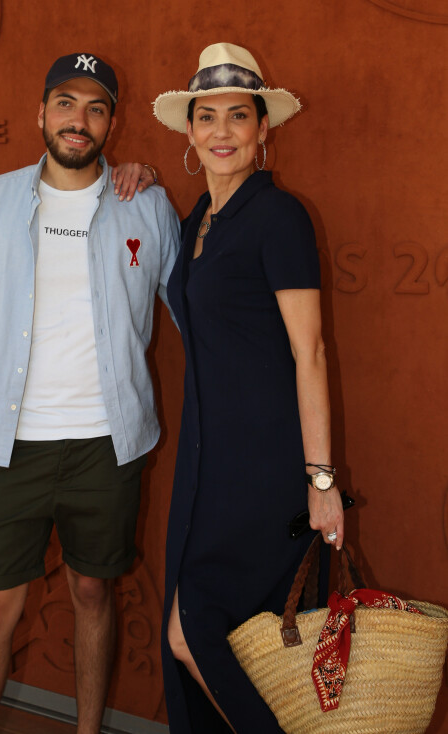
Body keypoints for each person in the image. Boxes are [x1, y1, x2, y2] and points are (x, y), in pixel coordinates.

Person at [0, 51, 180, 734]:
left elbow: (195, 310)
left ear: (111, 122)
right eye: (66, 103)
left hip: (107, 445)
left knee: (93, 590)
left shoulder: (146, 203)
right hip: (12, 448)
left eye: (95, 108)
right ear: (41, 112)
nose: (78, 119)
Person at [152, 43, 344, 733]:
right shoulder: (197, 219)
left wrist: (321, 481)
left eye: (239, 116)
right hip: (205, 467)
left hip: (262, 470)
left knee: (189, 633)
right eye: (208, 117)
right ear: (191, 131)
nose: (223, 131)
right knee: (211, 640)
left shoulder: (278, 217)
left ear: (264, 130)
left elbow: (311, 351)